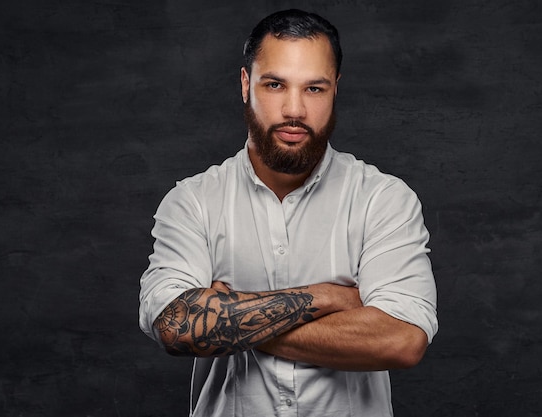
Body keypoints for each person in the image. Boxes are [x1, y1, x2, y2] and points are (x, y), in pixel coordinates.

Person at [139, 9, 438, 417]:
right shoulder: (193, 201)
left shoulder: (383, 200)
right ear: (246, 84)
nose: (294, 109)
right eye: (275, 84)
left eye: (314, 88)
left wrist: (229, 321)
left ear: (335, 89)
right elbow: (175, 325)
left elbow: (401, 341)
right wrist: (329, 297)